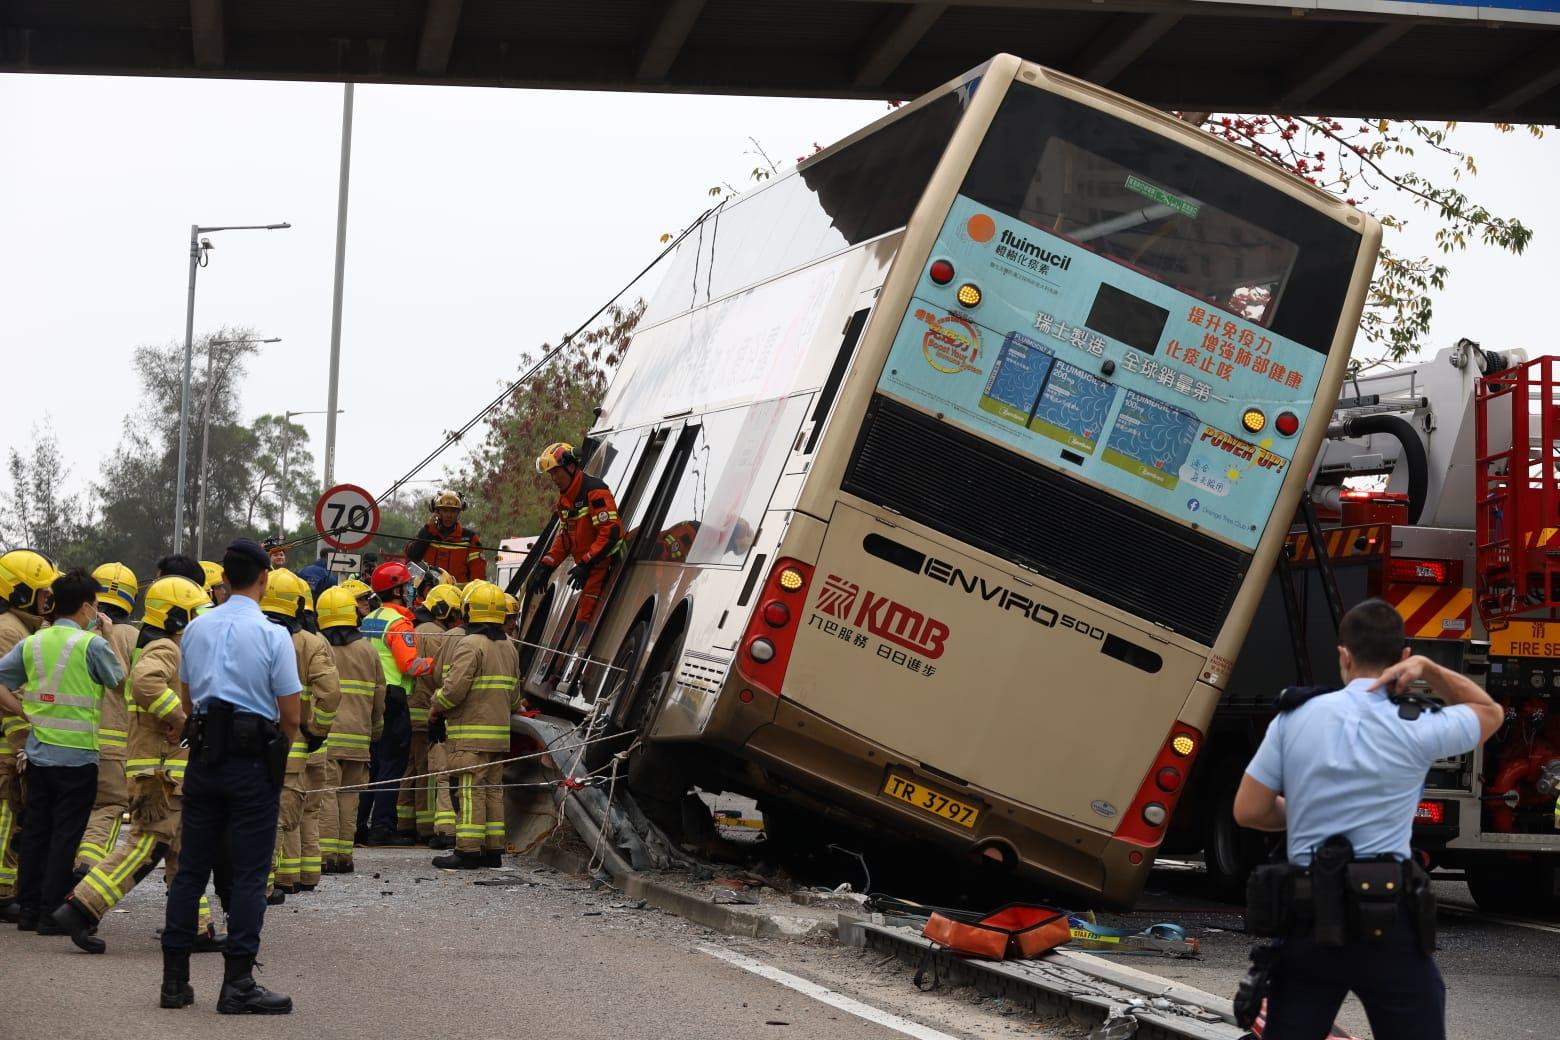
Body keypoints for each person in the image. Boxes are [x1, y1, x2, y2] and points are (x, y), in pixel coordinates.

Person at [1233, 598, 1504, 1040]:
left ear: (1343, 654)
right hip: (1388, 916)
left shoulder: (1294, 717)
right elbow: (1490, 713)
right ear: (1401, 659)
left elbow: (1249, 810)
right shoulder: (1416, 723)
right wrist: (1430, 670)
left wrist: (1300, 813)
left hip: (1309, 913)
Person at [160, 538, 300, 1015]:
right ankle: (237, 983)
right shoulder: (272, 634)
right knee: (248, 874)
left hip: (203, 759)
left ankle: (174, 982)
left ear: (222, 579)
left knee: (190, 871)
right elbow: (291, 717)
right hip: (251, 765)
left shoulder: (195, 630)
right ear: (264, 579)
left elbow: (184, 703)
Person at [51, 576, 223, 955]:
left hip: (164, 772)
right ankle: (81, 908)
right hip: (159, 775)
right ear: (178, 617)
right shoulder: (165, 647)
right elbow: (145, 685)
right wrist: (185, 721)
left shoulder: (173, 648)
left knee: (182, 849)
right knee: (144, 847)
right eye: (196, 614)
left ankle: (196, 928)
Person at [0, 568, 126, 932]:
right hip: (78, 757)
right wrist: (106, 632)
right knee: (65, 835)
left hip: (38, 754)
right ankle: (49, 913)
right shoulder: (92, 644)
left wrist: (21, 709)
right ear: (87, 607)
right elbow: (117, 679)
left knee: (37, 829)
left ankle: (26, 909)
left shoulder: (34, 642)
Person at [428, 581, 521, 869]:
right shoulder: (509, 647)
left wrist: (436, 704)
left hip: (469, 734)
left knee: (469, 790)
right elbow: (515, 698)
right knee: (493, 790)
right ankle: (493, 850)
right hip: (498, 736)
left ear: (471, 611)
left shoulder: (470, 644)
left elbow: (454, 690)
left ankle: (467, 850)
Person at [259, 569, 340, 898]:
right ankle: (282, 880)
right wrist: (317, 729)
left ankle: (275, 880)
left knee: (261, 815)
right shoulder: (311, 643)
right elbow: (331, 692)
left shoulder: (247, 634)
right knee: (290, 815)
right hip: (295, 747)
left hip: (246, 743)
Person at [0, 548, 60, 917]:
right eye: (43, 593)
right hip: (5, 741)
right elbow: (12, 695)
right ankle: (4, 890)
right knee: (5, 811)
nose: (48, 600)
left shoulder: (22, 628)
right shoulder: (9, 630)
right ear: (21, 593)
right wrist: (26, 744)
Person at [530, 442, 625, 675]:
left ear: (571, 467)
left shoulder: (595, 491)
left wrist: (586, 562)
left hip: (606, 565)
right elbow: (565, 537)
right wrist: (546, 565)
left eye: (555, 471)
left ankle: (581, 674)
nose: (553, 478)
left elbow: (611, 532)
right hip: (588, 567)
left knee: (587, 619)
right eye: (550, 473)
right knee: (579, 618)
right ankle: (565, 673)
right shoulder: (565, 500)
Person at [358, 561, 432, 845]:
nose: (411, 589)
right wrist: (438, 662)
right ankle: (383, 828)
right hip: (394, 699)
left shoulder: (370, 619)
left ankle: (359, 825)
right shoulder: (399, 623)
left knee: (374, 764)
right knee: (392, 765)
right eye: (407, 585)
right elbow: (410, 666)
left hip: (374, 697)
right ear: (397, 590)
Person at [315, 585, 384, 875]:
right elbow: (380, 695)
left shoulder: (319, 646)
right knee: (350, 795)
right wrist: (375, 729)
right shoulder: (368, 650)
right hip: (359, 737)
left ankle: (327, 855)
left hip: (326, 735)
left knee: (326, 794)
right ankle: (345, 856)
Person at [74, 562, 138, 875]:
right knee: (109, 807)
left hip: (70, 742)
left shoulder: (71, 633)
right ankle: (88, 864)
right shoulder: (135, 638)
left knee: (72, 812)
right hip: (116, 748)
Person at [401, 583, 463, 848]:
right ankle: (426, 827)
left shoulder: (413, 630)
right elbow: (443, 676)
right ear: (444, 610)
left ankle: (405, 822)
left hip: (409, 708)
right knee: (428, 771)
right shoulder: (441, 636)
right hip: (429, 710)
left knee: (410, 769)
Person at [404, 489, 486, 583]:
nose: (449, 515)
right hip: (429, 596)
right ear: (436, 512)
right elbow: (413, 555)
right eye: (445, 510)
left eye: (453, 511)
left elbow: (478, 575)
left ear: (459, 512)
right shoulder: (427, 534)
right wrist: (428, 529)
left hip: (458, 596)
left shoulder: (469, 539)